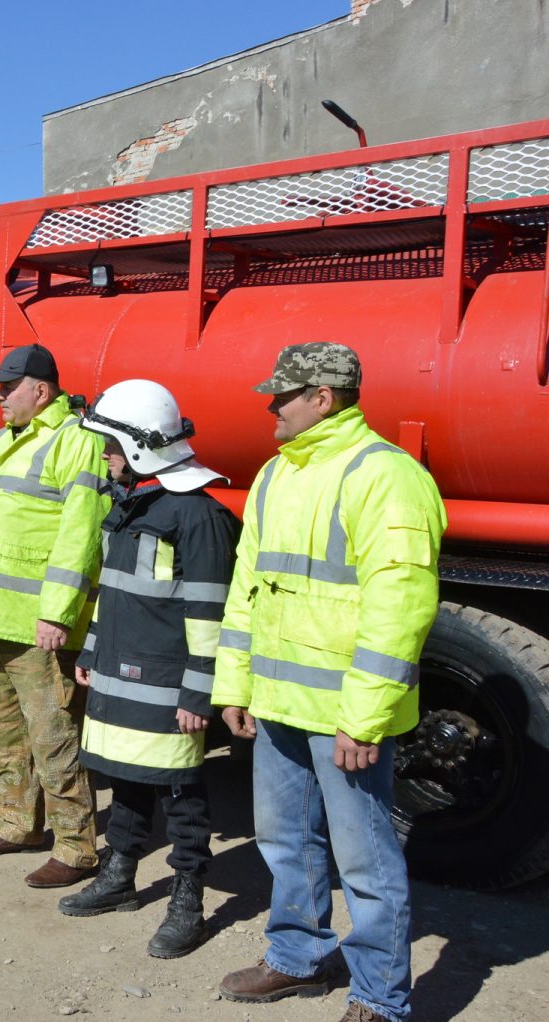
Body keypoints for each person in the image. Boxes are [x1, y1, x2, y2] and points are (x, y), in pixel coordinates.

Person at [212, 343, 445, 1022]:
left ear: (324, 397)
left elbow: (400, 605)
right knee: (284, 841)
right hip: (279, 702)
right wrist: (236, 684)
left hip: (343, 714)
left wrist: (363, 718)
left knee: (366, 863)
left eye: (282, 395)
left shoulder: (386, 476)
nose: (270, 406)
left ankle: (379, 997)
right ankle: (297, 957)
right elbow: (246, 588)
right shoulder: (276, 475)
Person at [59, 379, 239, 959]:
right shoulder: (135, 502)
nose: (106, 458)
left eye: (111, 447)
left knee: (180, 791)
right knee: (127, 778)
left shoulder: (197, 514)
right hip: (119, 670)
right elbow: (113, 593)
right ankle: (119, 878)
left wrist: (199, 692)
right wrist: (90, 650)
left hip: (170, 683)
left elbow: (210, 611)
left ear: (140, 447)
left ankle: (188, 898)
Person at [0, 343, 106, 888]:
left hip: (40, 627)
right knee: (1, 733)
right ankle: (16, 825)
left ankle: (77, 847)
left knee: (53, 739)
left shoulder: (75, 442)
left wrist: (59, 615)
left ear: (41, 390)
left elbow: (80, 536)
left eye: (8, 386)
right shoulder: (2, 440)